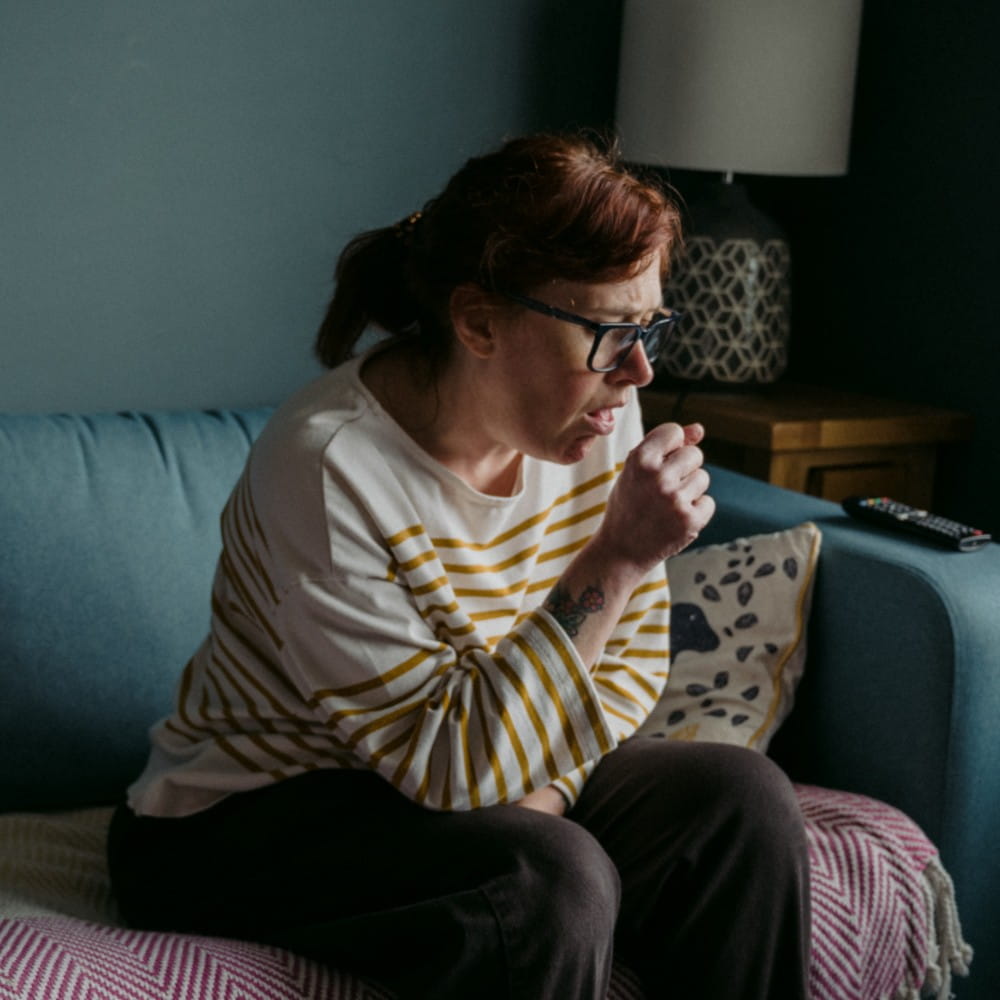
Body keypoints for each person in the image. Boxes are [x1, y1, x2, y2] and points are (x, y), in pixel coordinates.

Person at [107, 132, 810, 999]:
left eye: (649, 327)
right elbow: (445, 770)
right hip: (244, 820)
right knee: (546, 880)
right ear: (478, 321)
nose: (637, 371)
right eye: (607, 332)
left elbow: (630, 668)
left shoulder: (598, 408)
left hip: (485, 769)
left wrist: (541, 787)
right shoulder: (331, 468)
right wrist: (618, 559)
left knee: (741, 803)